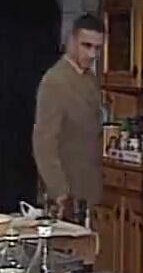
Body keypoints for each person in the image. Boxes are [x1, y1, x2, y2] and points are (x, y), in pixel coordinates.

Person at [32, 13, 105, 223]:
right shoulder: (55, 82)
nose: (92, 54)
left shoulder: (90, 79)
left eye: (97, 48)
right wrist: (60, 192)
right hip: (65, 198)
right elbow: (44, 143)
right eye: (86, 45)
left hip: (88, 191)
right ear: (71, 41)